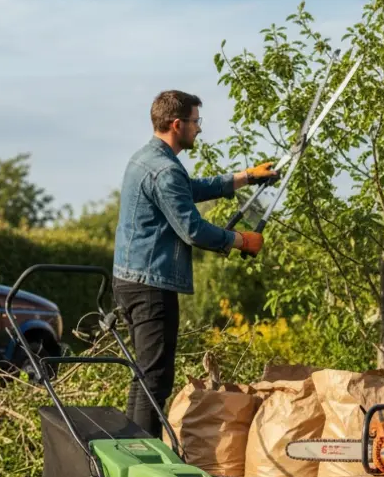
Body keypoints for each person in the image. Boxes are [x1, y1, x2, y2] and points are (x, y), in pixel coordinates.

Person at [112, 89, 278, 436]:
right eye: (195, 121)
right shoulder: (164, 170)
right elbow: (193, 230)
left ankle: (131, 448)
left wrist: (245, 177)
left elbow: (190, 189)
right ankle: (142, 458)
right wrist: (240, 240)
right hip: (150, 286)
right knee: (155, 377)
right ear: (177, 124)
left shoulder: (147, 159)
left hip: (131, 281)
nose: (199, 128)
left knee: (145, 374)